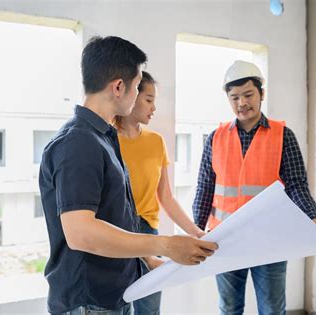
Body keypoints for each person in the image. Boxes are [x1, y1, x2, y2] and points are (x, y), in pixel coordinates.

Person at [39, 36, 218, 315]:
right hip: (90, 301)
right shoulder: (78, 142)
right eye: (137, 87)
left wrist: (147, 259)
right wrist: (166, 245)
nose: (138, 96)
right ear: (119, 87)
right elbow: (81, 233)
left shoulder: (103, 138)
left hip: (112, 294)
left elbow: (114, 216)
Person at [192, 60, 316, 315]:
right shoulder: (215, 138)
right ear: (228, 99)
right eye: (235, 97)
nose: (242, 103)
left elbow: (296, 185)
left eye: (248, 95)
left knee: (272, 309)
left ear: (261, 93)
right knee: (229, 309)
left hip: (269, 240)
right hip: (225, 240)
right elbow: (205, 187)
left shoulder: (283, 136)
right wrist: (195, 230)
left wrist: (311, 217)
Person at [115, 71, 205, 315]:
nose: (153, 107)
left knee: (150, 309)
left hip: (148, 231)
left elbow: (166, 197)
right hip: (116, 232)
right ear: (131, 96)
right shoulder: (107, 138)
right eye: (148, 99)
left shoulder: (156, 142)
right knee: (116, 306)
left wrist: (196, 232)